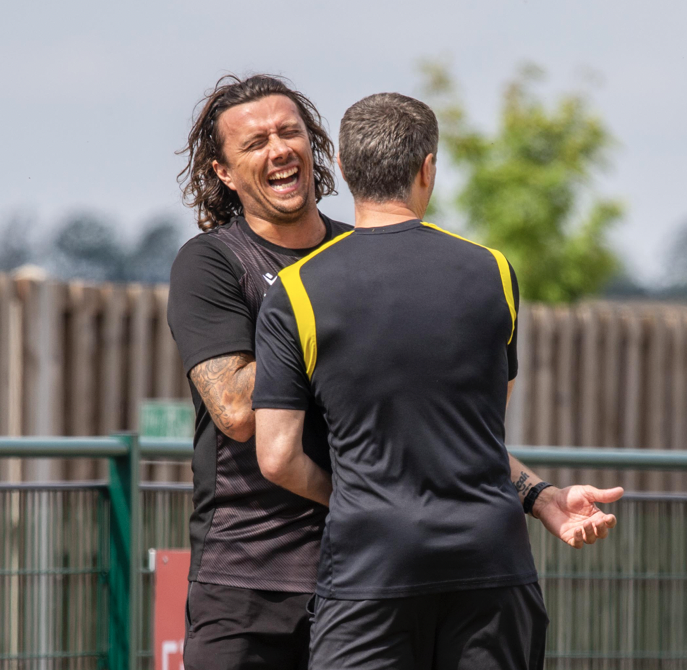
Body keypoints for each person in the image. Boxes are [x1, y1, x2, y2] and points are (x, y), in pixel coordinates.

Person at [252, 92, 624, 670]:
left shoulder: (297, 291)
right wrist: (541, 495)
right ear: (428, 168)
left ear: (345, 170)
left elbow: (276, 457)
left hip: (369, 570)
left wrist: (363, 494)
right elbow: (482, 435)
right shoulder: (492, 271)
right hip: (490, 566)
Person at [167, 74, 350, 670]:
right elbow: (238, 411)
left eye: (289, 132)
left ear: (312, 144)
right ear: (223, 172)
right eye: (255, 143)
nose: (278, 150)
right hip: (247, 580)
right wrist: (328, 313)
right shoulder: (212, 262)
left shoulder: (361, 255)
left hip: (364, 571)